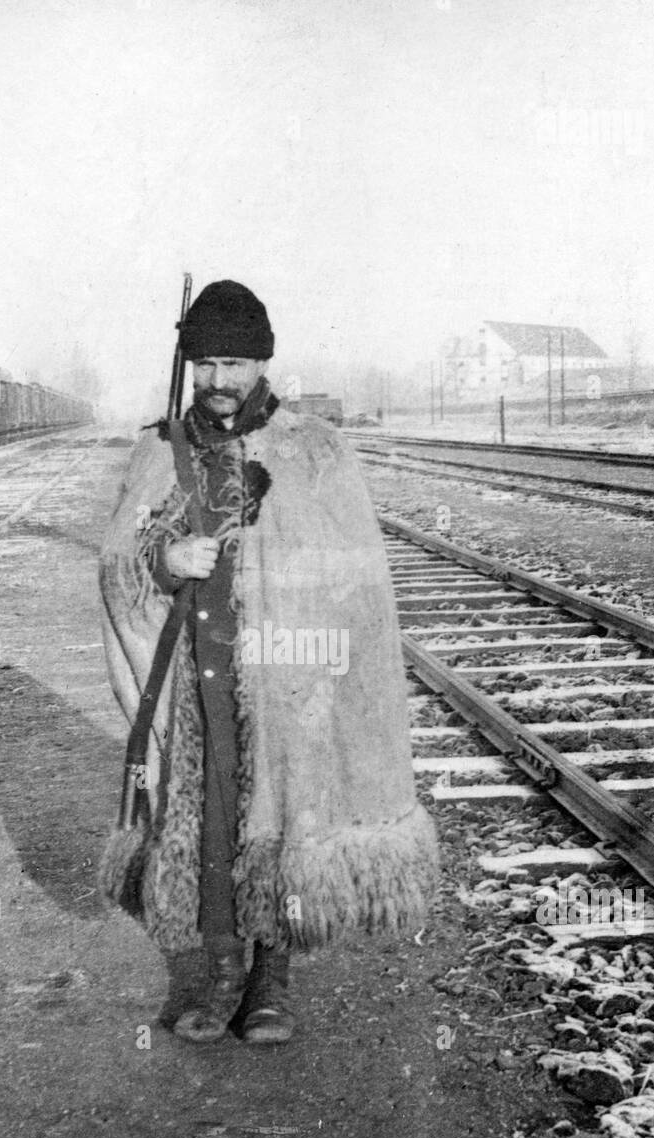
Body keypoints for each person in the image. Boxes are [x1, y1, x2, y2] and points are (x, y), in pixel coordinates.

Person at [98, 279, 439, 1045]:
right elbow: (119, 554)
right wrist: (163, 557)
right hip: (196, 676)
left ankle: (271, 979)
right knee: (211, 823)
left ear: (263, 363)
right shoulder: (160, 449)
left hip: (290, 674)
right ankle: (222, 974)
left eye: (237, 363)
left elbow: (358, 579)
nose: (220, 381)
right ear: (190, 364)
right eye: (208, 363)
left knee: (283, 817)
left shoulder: (314, 449)